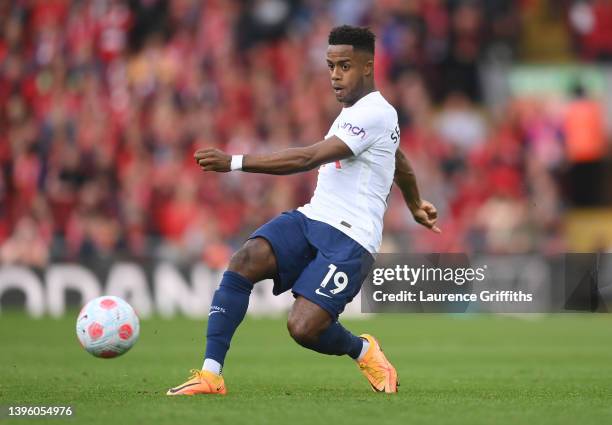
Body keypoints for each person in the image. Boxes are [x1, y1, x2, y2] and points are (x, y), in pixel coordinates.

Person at [167, 25, 439, 396]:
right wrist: (413, 202)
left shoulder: (375, 112)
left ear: (367, 67)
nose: (335, 76)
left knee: (304, 328)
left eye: (344, 66)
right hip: (314, 217)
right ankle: (211, 375)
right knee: (246, 259)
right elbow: (398, 158)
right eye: (330, 66)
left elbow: (309, 157)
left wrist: (234, 162)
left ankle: (363, 350)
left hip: (351, 238)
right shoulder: (359, 112)